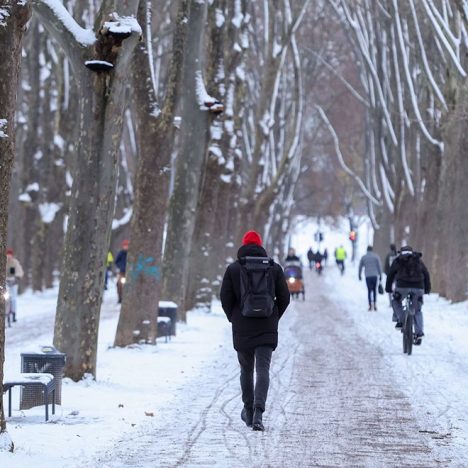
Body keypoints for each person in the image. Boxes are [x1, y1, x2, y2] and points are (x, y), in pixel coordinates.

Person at [220, 230, 290, 432]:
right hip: (267, 326)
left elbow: (225, 298)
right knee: (263, 370)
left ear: (243, 245)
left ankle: (248, 411)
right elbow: (285, 297)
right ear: (261, 246)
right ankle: (259, 412)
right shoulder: (273, 268)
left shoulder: (234, 268)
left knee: (246, 370)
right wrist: (274, 316)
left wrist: (234, 317)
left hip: (242, 326)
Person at [385, 246, 431, 345]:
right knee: (417, 310)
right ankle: (419, 333)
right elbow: (426, 274)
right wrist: (427, 289)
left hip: (402, 287)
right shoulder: (418, 260)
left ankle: (401, 320)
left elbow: (390, 274)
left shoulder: (398, 260)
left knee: (396, 301)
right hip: (418, 287)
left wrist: (388, 288)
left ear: (401, 252)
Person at [358, 246, 382, 311]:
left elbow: (360, 266)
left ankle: (370, 305)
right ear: (372, 250)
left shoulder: (364, 257)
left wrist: (359, 275)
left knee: (369, 290)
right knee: (374, 290)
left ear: (367, 250)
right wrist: (380, 275)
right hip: (374, 275)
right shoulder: (376, 257)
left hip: (368, 276)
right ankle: (375, 304)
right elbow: (379, 266)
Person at [5, 248, 24, 322]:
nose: (9, 256)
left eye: (10, 254)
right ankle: (6, 312)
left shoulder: (15, 262)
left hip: (13, 282)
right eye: (7, 254)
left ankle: (14, 313)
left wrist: (17, 277)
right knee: (6, 298)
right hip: (6, 282)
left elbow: (20, 271)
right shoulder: (4, 262)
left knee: (13, 299)